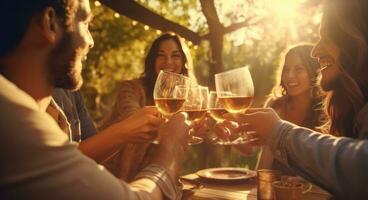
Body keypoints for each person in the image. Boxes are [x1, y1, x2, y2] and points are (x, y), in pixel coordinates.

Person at [0, 0, 189, 199]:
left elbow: (73, 160)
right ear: (50, 23)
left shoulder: (45, 109)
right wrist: (169, 150)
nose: (90, 41)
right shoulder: (10, 119)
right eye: (85, 23)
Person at [220, 0, 368, 198]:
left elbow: (359, 169)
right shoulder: (345, 109)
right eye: (287, 70)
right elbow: (258, 160)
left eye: (327, 37)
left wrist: (280, 133)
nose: (316, 51)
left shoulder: (323, 111)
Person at [101, 33, 199, 181]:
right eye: (161, 55)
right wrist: (175, 130)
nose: (168, 62)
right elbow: (135, 121)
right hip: (112, 180)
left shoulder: (184, 97)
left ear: (184, 61)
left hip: (155, 182)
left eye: (175, 55)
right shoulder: (130, 89)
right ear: (152, 60)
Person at [257, 44, 325, 175]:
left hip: (312, 192)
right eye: (286, 70)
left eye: (299, 69)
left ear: (314, 71)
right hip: (273, 189)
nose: (289, 76)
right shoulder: (274, 105)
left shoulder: (325, 110)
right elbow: (258, 156)